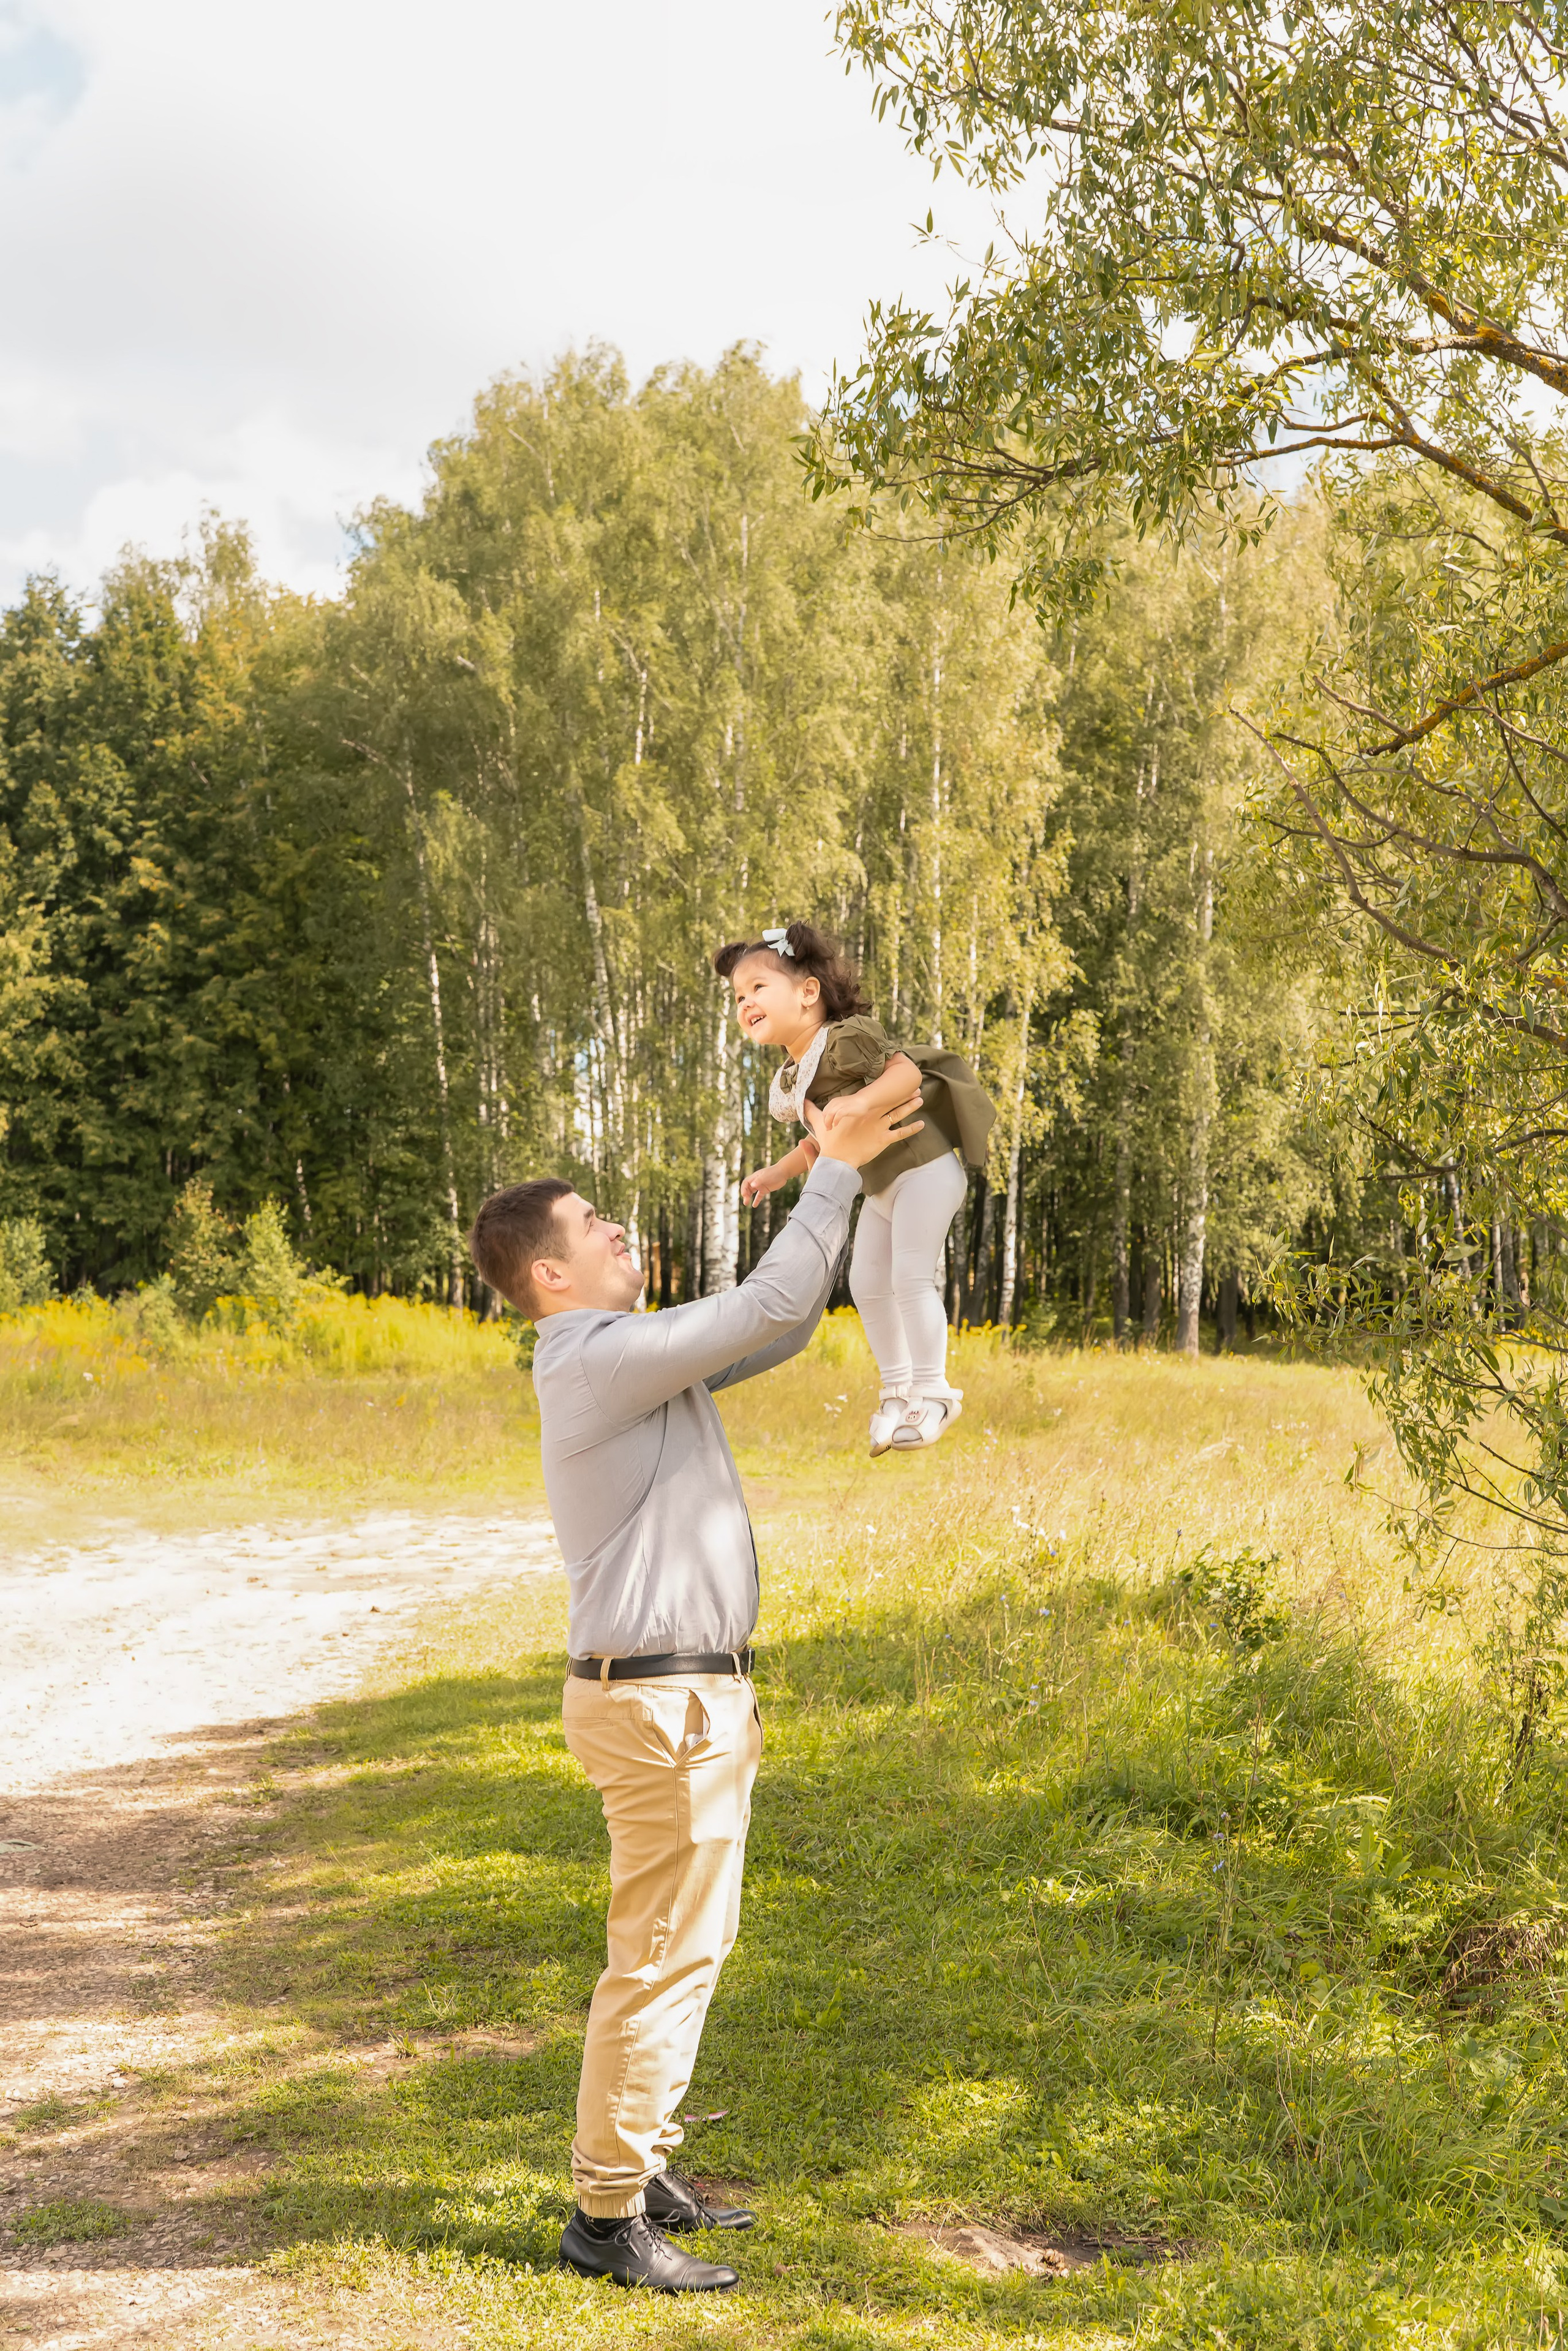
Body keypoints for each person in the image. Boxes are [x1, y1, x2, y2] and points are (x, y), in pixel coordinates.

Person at [466, 1081, 924, 2295]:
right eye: (594, 1223)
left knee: (688, 1947)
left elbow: (781, 1323)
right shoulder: (593, 1355)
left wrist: (859, 1182)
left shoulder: (629, 1357)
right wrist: (828, 1166)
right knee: (660, 1958)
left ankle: (642, 2163)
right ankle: (604, 2219)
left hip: (685, 1702)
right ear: (548, 1275)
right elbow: (774, 1294)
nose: (619, 1229)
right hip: (662, 1708)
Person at [717, 920, 997, 1458]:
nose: (745, 1002)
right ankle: (896, 1391)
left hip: (926, 1172)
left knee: (910, 1278)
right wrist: (778, 1172)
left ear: (807, 993)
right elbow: (823, 1141)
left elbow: (905, 1074)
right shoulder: (797, 1072)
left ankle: (934, 1392)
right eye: (737, 996)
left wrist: (864, 1102)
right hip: (884, 1189)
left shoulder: (846, 1039)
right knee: (868, 1285)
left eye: (757, 988)